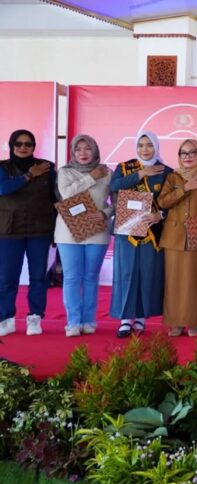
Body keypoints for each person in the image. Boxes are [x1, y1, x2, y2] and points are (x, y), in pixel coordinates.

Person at [156, 139, 197, 337]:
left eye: (192, 152)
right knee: (174, 282)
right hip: (174, 237)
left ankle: (195, 321)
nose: (188, 156)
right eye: (183, 153)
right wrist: (185, 188)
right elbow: (163, 202)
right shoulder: (173, 177)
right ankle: (175, 322)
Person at [110, 131, 172, 338]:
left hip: (151, 230)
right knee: (126, 273)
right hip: (127, 229)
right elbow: (114, 186)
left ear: (156, 146)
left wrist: (160, 215)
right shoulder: (125, 168)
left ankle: (141, 318)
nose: (145, 149)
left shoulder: (166, 171)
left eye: (149, 145)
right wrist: (141, 174)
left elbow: (172, 201)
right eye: (141, 145)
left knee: (147, 273)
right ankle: (125, 319)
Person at [0, 130, 57, 337]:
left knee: (38, 277)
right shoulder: (2, 167)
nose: (23, 147)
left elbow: (55, 199)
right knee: (7, 279)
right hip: (8, 231)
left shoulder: (47, 167)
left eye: (28, 144)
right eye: (18, 144)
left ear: (34, 146)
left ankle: (35, 316)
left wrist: (57, 231)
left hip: (40, 230)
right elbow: (3, 189)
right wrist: (29, 175)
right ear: (11, 146)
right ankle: (5, 318)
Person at [54, 134, 112, 337]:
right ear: (73, 152)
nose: (83, 153)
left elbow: (117, 203)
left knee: (91, 277)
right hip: (69, 231)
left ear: (95, 150)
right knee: (71, 277)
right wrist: (92, 177)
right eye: (78, 149)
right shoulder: (65, 171)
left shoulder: (107, 172)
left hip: (97, 230)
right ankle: (73, 322)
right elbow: (67, 194)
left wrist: (105, 213)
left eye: (87, 148)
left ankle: (88, 320)